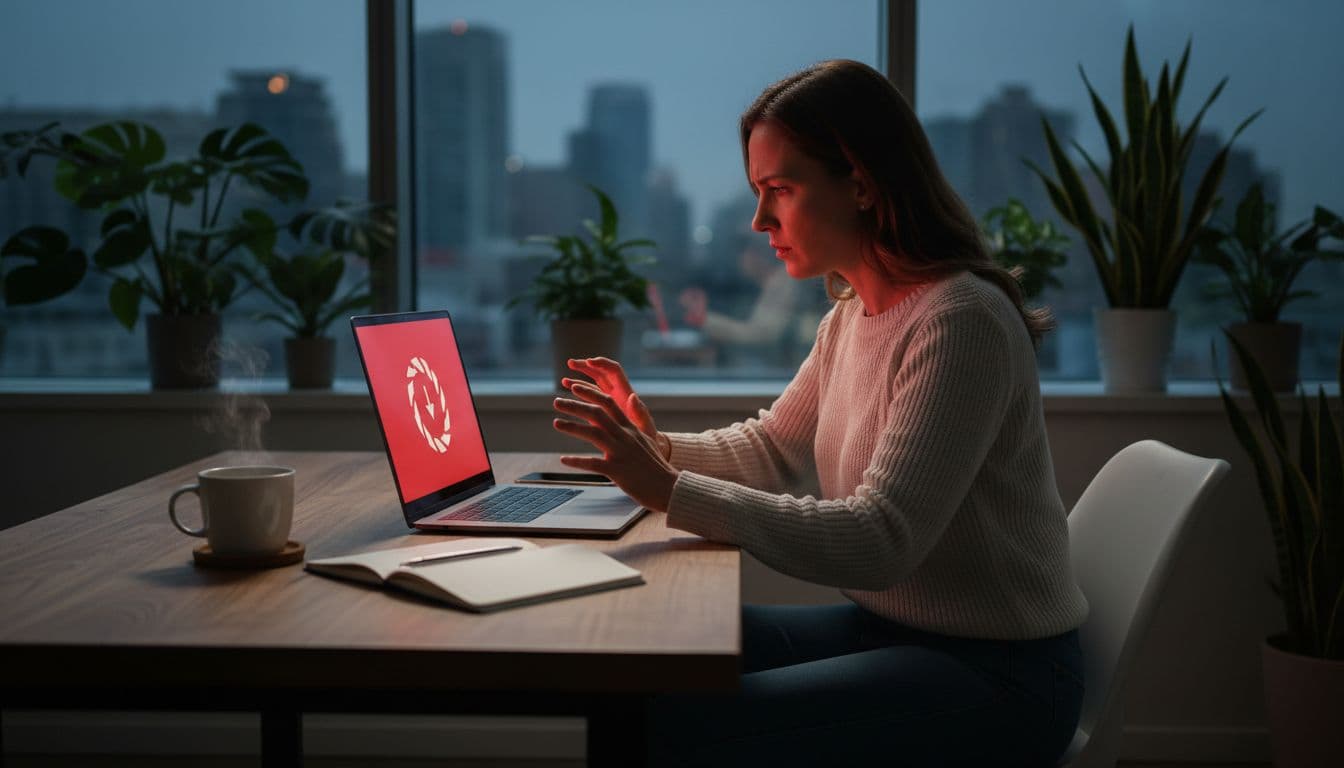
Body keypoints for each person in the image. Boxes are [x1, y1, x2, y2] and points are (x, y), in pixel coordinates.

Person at [551, 59, 1088, 768]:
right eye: (756, 192)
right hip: (892, 633)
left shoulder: (962, 321)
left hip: (1000, 677)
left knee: (672, 722)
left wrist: (671, 491)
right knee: (644, 662)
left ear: (861, 183)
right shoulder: (853, 315)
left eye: (780, 189)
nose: (758, 219)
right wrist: (655, 449)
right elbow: (774, 447)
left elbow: (880, 538)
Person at [679, 235, 801, 367]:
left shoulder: (782, 282)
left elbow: (762, 335)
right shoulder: (764, 284)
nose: (740, 261)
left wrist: (703, 319)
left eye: (743, 253)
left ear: (757, 255)